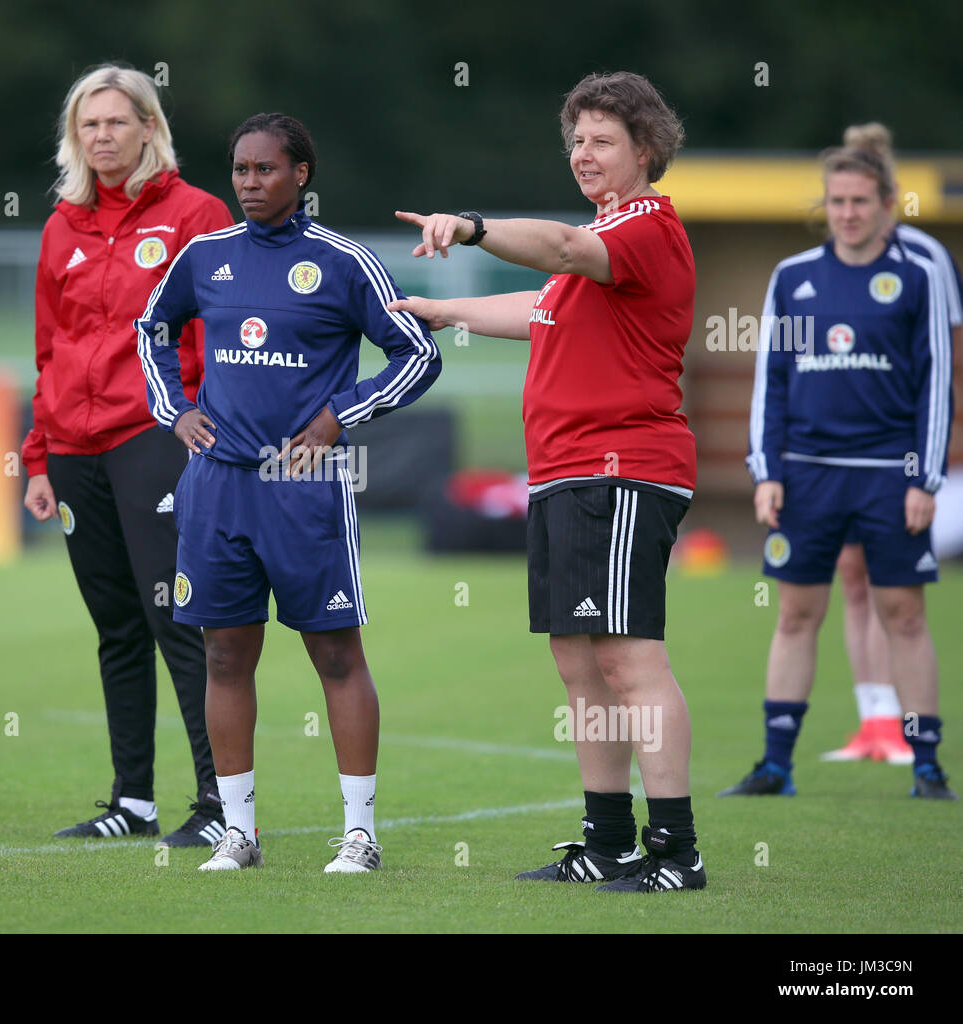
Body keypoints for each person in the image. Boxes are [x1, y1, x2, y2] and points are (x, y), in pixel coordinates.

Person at [390, 71, 706, 892]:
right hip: (567, 474)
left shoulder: (642, 224)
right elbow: (544, 303)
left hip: (622, 470)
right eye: (576, 141)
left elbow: (563, 253)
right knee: (580, 662)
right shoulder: (599, 250)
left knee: (630, 659)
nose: (584, 154)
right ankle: (608, 840)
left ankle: (677, 850)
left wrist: (468, 226)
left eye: (603, 140)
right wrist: (443, 310)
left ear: (646, 150)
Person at [137, 113, 440, 872]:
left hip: (303, 487)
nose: (248, 183)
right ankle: (238, 832)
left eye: (265, 170)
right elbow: (151, 330)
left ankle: (360, 835)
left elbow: (420, 352)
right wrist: (175, 410)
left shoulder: (343, 262)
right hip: (216, 488)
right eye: (239, 170)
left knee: (337, 657)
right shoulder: (205, 257)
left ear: (301, 174)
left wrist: (343, 414)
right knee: (224, 657)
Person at [23, 65, 232, 847]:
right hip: (74, 448)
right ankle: (133, 801)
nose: (102, 136)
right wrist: (38, 455)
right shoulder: (60, 226)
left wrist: (200, 423)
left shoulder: (196, 214)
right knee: (115, 625)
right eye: (89, 125)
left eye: (116, 122)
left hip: (154, 436)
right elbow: (49, 349)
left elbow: (210, 334)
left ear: (150, 126)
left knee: (176, 615)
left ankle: (218, 805)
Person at [725, 127, 955, 800]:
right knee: (797, 614)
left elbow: (935, 384)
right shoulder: (793, 279)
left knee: (903, 616)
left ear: (886, 203)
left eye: (860, 200)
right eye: (836, 201)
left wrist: (924, 478)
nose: (848, 212)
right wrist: (766, 470)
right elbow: (772, 379)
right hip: (806, 475)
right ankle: (774, 765)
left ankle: (927, 764)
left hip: (889, 473)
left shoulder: (918, 277)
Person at [822, 124, 963, 766]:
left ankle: (912, 728)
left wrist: (938, 451)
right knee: (852, 578)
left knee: (899, 592)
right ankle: (873, 720)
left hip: (908, 450)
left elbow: (948, 362)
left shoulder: (926, 260)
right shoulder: (831, 261)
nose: (853, 210)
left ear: (888, 193)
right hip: (847, 455)